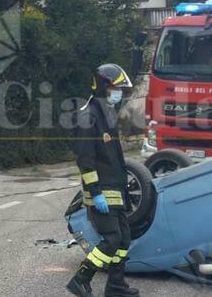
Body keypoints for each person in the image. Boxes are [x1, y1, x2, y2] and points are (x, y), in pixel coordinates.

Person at [66, 63, 138, 297]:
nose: (120, 95)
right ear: (103, 87)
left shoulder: (106, 113)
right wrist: (95, 192)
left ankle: (116, 287)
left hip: (116, 190)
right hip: (102, 193)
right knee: (112, 239)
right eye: (117, 89)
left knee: (124, 239)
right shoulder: (88, 117)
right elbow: (85, 161)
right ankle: (80, 280)